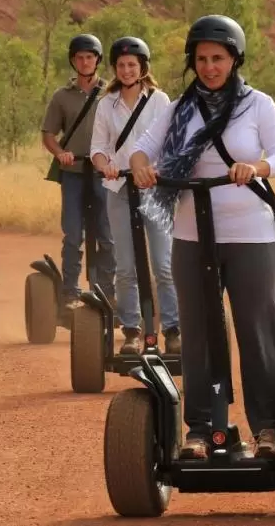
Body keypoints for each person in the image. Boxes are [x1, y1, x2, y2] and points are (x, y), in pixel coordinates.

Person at [129, 14, 275, 462]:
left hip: (251, 236)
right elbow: (143, 144)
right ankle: (203, 430)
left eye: (218, 58)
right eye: (201, 59)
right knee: (199, 332)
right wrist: (143, 164)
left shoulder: (257, 104)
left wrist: (255, 168)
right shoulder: (178, 107)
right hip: (192, 234)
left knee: (257, 331)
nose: (209, 67)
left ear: (235, 59)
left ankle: (267, 428)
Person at [89, 36, 181, 355]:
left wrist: (158, 169)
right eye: (121, 65)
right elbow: (97, 149)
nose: (127, 70)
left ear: (143, 67)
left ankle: (173, 329)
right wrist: (106, 168)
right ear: (114, 68)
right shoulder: (106, 104)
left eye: (133, 64)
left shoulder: (159, 100)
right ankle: (130, 331)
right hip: (118, 189)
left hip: (153, 191)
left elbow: (171, 144)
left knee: (163, 263)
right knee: (125, 266)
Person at [41, 34, 116, 310]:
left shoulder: (112, 93)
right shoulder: (62, 96)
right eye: (80, 57)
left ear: (98, 60)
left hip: (103, 174)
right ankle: (70, 293)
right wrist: (60, 152)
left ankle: (107, 292)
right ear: (73, 61)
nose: (85, 61)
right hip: (72, 172)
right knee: (73, 234)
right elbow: (48, 134)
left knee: (107, 234)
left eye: (90, 57)